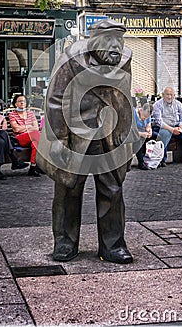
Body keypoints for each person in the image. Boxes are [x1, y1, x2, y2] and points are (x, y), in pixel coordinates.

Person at [37, 19, 140, 264]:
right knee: (68, 190)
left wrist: (127, 135)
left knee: (112, 190)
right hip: (76, 135)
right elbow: (54, 99)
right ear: (93, 39)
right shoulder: (71, 58)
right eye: (109, 40)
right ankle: (65, 242)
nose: (115, 46)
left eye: (119, 40)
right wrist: (59, 138)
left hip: (109, 135)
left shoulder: (124, 59)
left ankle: (113, 245)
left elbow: (124, 97)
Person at [152, 86, 182, 166]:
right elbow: (158, 121)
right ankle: (162, 160)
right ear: (163, 95)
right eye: (167, 94)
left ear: (174, 95)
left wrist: (181, 128)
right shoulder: (157, 105)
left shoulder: (178, 104)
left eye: (171, 95)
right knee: (164, 134)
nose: (169, 97)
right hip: (164, 127)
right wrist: (172, 130)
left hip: (177, 127)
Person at [9, 94, 43, 176]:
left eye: (24, 101)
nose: (22, 103)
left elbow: (36, 127)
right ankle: (42, 164)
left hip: (32, 138)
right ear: (15, 104)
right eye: (20, 101)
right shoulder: (12, 114)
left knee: (35, 144)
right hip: (19, 139)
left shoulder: (31, 113)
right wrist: (29, 127)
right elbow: (16, 129)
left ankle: (32, 168)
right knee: (36, 134)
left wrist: (24, 128)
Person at [134, 103, 152, 170]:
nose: (145, 119)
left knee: (153, 137)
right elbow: (131, 131)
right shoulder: (133, 114)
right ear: (141, 110)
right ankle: (141, 162)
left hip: (142, 134)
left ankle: (150, 161)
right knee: (139, 139)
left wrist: (149, 131)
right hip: (133, 134)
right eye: (144, 116)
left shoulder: (148, 115)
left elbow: (148, 126)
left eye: (147, 117)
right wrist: (142, 134)